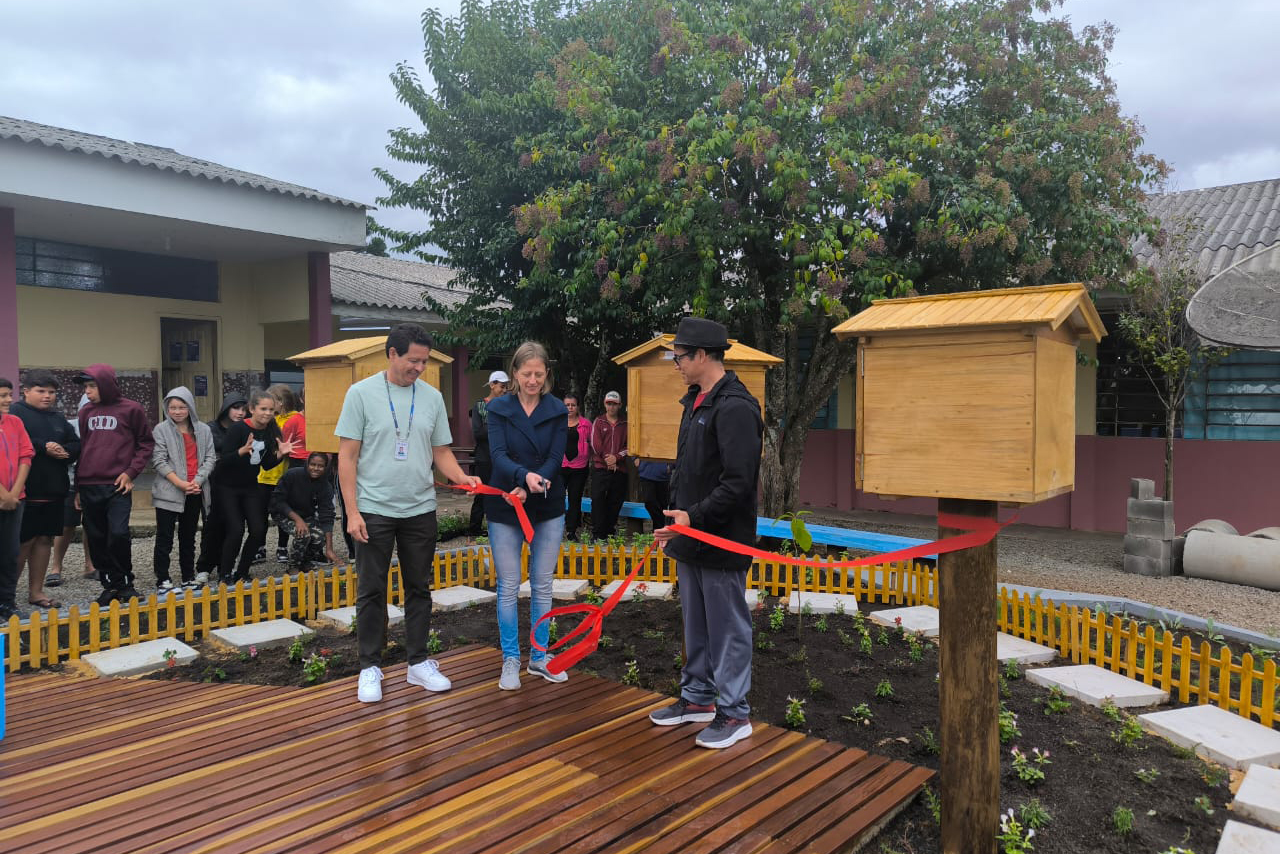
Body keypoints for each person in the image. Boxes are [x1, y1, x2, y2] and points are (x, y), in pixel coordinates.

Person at [335, 323, 479, 704]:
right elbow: (347, 457)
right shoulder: (360, 394)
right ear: (392, 354)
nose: (419, 368)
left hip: (420, 508)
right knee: (371, 589)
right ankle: (370, 666)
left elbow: (441, 452)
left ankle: (418, 662)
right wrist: (352, 512)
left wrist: (462, 477)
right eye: (413, 360)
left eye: (424, 361)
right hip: (373, 508)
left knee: (419, 588)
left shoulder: (431, 398)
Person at [651, 317, 764, 750]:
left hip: (721, 539)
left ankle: (734, 713)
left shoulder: (736, 407)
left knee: (727, 627)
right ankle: (697, 697)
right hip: (690, 535)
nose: (676, 364)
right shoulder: (695, 401)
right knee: (695, 623)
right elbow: (688, 469)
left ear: (701, 355)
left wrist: (693, 517)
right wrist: (676, 521)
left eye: (679, 357)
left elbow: (738, 483)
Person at [483, 342, 569, 691]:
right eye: (526, 374)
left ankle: (539, 656)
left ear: (547, 374)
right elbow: (498, 454)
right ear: (514, 374)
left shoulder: (557, 409)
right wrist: (521, 479)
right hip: (506, 502)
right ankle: (510, 658)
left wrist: (534, 483)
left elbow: (555, 457)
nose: (533, 380)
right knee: (508, 584)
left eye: (539, 374)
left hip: (546, 501)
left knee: (542, 583)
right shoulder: (498, 408)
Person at [76, 364, 155, 607]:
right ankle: (110, 584)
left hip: (118, 485)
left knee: (118, 534)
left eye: (92, 386)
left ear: (106, 384)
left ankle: (125, 583)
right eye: (85, 387)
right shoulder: (86, 412)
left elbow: (145, 443)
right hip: (89, 484)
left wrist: (131, 473)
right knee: (96, 537)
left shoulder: (132, 409)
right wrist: (77, 487)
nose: (87, 391)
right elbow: (84, 448)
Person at [12, 371, 79, 608]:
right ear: (26, 391)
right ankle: (7, 596)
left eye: (51, 392)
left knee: (44, 540)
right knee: (23, 542)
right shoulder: (16, 413)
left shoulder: (57, 417)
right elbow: (15, 442)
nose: (47, 396)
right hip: (25, 490)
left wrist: (65, 451)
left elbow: (76, 443)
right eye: (41, 391)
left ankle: (36, 592)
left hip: (55, 489)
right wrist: (44, 447)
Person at [214, 390, 293, 583]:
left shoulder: (270, 430)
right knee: (236, 530)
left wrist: (280, 454)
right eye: (263, 409)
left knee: (258, 529)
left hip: (250, 486)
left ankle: (242, 572)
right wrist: (240, 451)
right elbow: (222, 462)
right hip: (227, 487)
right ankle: (225, 574)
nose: (267, 413)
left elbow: (265, 464)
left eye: (271, 410)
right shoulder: (238, 429)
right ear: (252, 409)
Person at [150, 387, 215, 593]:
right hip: (169, 491)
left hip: (194, 490)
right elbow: (158, 460)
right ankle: (163, 579)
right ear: (166, 408)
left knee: (188, 537)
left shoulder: (203, 430)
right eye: (173, 408)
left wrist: (197, 481)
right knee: (165, 537)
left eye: (182, 407)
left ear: (190, 407)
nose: (177, 412)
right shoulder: (161, 429)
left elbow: (210, 458)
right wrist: (179, 483)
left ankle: (188, 576)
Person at [193, 394, 247, 586]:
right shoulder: (211, 428)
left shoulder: (245, 428)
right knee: (212, 525)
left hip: (237, 483)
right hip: (213, 483)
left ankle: (226, 564)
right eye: (236, 408)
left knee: (234, 527)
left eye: (244, 409)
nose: (240, 413)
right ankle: (204, 567)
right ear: (226, 408)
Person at [0, 377, 34, 621]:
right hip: (4, 496)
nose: (8, 400)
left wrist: (14, 492)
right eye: (2, 396)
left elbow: (26, 455)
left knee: (10, 553)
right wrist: (4, 494)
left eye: (9, 395)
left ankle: (6, 602)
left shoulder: (15, 422)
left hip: (15, 499)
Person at [51, 394, 94, 584]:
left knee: (92, 524)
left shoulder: (104, 427)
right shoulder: (69, 426)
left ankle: (90, 565)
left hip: (94, 482)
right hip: (69, 481)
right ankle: (56, 567)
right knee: (66, 525)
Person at [270, 451, 338, 571]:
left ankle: (304, 561)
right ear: (307, 464)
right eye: (313, 464)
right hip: (283, 513)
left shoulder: (325, 486)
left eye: (320, 466)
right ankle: (293, 566)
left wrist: (329, 549)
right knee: (303, 534)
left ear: (325, 467)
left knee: (320, 536)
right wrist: (298, 520)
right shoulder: (292, 474)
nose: (316, 468)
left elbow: (327, 515)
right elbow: (278, 501)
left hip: (305, 515)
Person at [257, 384, 302, 563]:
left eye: (271, 400)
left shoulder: (293, 419)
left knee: (284, 512)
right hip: (263, 475)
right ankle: (260, 547)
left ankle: (282, 547)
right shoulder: (268, 419)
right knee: (261, 513)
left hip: (283, 474)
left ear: (280, 402)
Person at [468, 370, 509, 537]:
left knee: (503, 492)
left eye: (506, 387)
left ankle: (500, 526)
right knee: (482, 492)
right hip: (484, 457)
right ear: (492, 385)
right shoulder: (479, 406)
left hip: (503, 457)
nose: (504, 390)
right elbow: (478, 433)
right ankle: (474, 528)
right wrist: (499, 429)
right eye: (502, 386)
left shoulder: (508, 406)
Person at [589, 390, 629, 539]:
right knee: (597, 500)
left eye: (614, 404)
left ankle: (609, 533)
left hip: (619, 469)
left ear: (620, 405)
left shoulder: (626, 424)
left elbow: (630, 446)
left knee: (615, 502)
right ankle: (597, 534)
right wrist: (608, 460)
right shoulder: (598, 422)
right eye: (609, 403)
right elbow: (595, 444)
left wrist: (616, 458)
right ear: (605, 404)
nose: (611, 407)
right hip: (601, 468)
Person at [561, 393, 591, 539]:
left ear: (578, 407)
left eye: (573, 405)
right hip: (560, 466)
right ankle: (554, 527)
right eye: (567, 405)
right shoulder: (557, 423)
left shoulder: (586, 424)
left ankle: (571, 531)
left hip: (579, 467)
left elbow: (593, 443)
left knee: (575, 499)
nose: (570, 408)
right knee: (556, 498)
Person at [637, 459, 673, 532]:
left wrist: (671, 465)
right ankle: (659, 529)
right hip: (646, 472)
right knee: (649, 502)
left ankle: (659, 531)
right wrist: (634, 458)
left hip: (663, 476)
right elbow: (631, 450)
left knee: (663, 505)